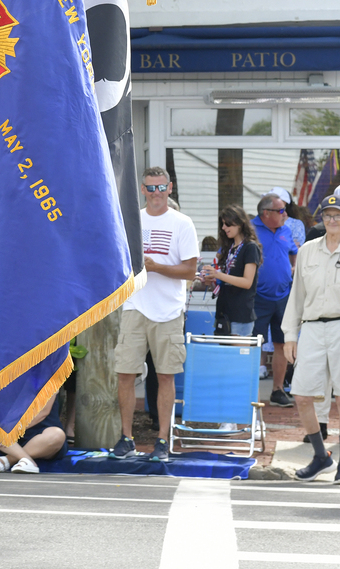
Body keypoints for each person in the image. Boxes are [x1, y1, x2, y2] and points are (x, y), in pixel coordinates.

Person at [112, 166, 199, 461]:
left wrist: (156, 266)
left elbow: (190, 270)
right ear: (142, 189)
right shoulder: (132, 221)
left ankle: (162, 440)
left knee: (166, 376)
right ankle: (126, 438)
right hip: (135, 306)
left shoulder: (182, 223)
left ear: (170, 188)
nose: (156, 194)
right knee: (124, 373)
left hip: (169, 310)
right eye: (150, 188)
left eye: (161, 188)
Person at [280, 194, 340, 482]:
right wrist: (290, 335)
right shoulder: (307, 251)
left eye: (338, 215)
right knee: (302, 395)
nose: (332, 220)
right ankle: (321, 456)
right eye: (327, 215)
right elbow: (297, 296)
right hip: (312, 328)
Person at [251, 193, 300, 407]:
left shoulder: (285, 230)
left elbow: (293, 252)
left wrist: (292, 270)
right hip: (257, 297)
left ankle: (278, 390)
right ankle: (249, 391)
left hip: (283, 296)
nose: (285, 215)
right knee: (254, 344)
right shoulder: (250, 230)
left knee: (282, 343)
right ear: (266, 213)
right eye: (281, 211)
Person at [203, 206, 261, 336]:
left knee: (238, 355)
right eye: (222, 224)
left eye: (228, 224)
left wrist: (218, 274)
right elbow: (223, 281)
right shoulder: (226, 249)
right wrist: (211, 280)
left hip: (240, 314)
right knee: (223, 355)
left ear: (240, 224)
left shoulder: (250, 247)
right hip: (223, 312)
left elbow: (247, 282)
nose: (224, 228)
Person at [0, 396, 67, 473]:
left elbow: (43, 412)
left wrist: (13, 430)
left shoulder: (48, 377)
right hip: (10, 440)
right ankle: (28, 461)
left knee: (56, 435)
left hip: (41, 434)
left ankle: (9, 460)